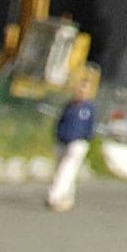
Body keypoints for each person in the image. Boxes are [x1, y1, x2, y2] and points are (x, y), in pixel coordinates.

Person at [46, 77, 99, 212]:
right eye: (79, 89)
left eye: (84, 89)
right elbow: (60, 121)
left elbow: (90, 126)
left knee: (67, 169)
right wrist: (58, 135)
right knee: (62, 170)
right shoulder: (69, 106)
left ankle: (55, 196)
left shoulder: (89, 108)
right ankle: (67, 197)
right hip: (63, 141)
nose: (81, 92)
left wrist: (85, 138)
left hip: (78, 143)